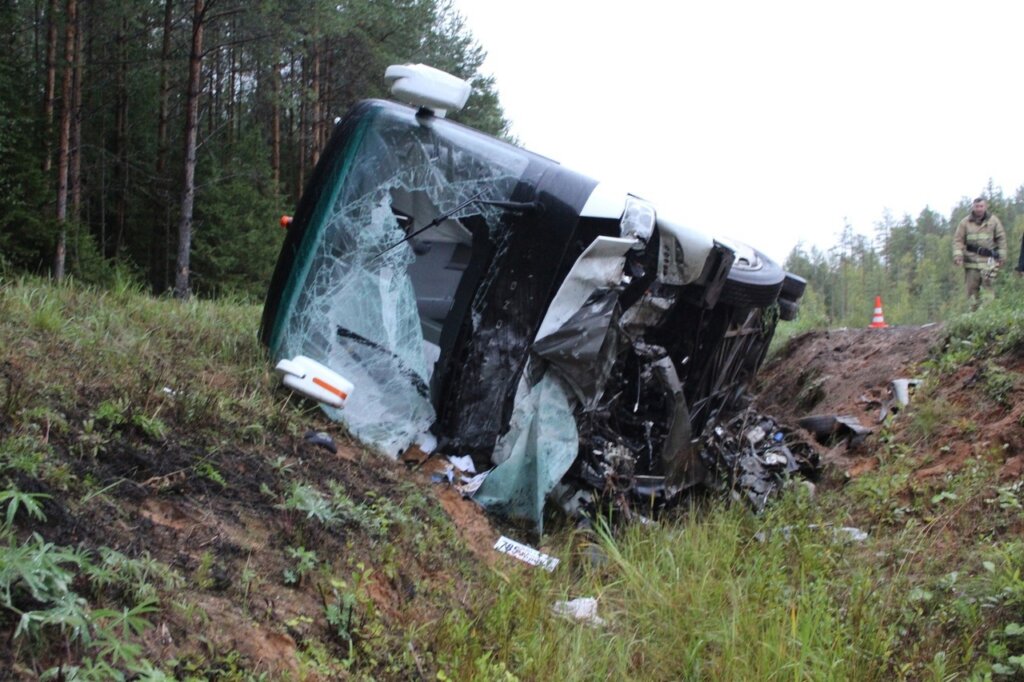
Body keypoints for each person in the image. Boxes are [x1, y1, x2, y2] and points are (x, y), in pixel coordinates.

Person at [953, 197, 1006, 307]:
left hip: (989, 263)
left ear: (985, 207)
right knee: (971, 293)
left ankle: (987, 317)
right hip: (971, 263)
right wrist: (958, 255)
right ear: (973, 207)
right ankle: (973, 319)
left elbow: (1001, 238)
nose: (979, 209)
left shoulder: (993, 221)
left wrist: (1002, 256)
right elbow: (958, 240)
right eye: (977, 206)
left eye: (981, 206)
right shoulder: (965, 223)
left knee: (988, 292)